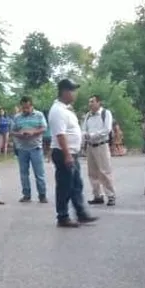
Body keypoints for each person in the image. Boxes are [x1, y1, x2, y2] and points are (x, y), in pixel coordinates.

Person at [48, 79, 97, 228]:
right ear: (64, 92)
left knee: (76, 185)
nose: (75, 93)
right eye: (72, 90)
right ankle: (62, 216)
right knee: (65, 186)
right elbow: (60, 134)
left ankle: (81, 213)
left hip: (71, 152)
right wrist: (67, 154)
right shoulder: (57, 110)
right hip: (64, 152)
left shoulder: (66, 109)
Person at [11, 96, 47, 203]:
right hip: (22, 148)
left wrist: (33, 132)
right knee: (24, 173)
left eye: (27, 108)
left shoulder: (39, 115)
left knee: (39, 173)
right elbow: (12, 131)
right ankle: (26, 194)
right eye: (23, 108)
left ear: (31, 106)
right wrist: (20, 134)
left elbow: (44, 128)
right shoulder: (17, 117)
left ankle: (42, 194)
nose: (25, 110)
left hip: (36, 147)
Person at [82, 95, 117, 206]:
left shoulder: (105, 113)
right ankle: (97, 195)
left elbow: (107, 130)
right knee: (92, 173)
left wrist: (92, 135)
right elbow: (83, 129)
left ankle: (111, 195)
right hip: (90, 146)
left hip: (101, 145)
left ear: (99, 102)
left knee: (104, 171)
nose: (90, 104)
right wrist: (85, 136)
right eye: (89, 102)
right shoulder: (88, 115)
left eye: (92, 101)